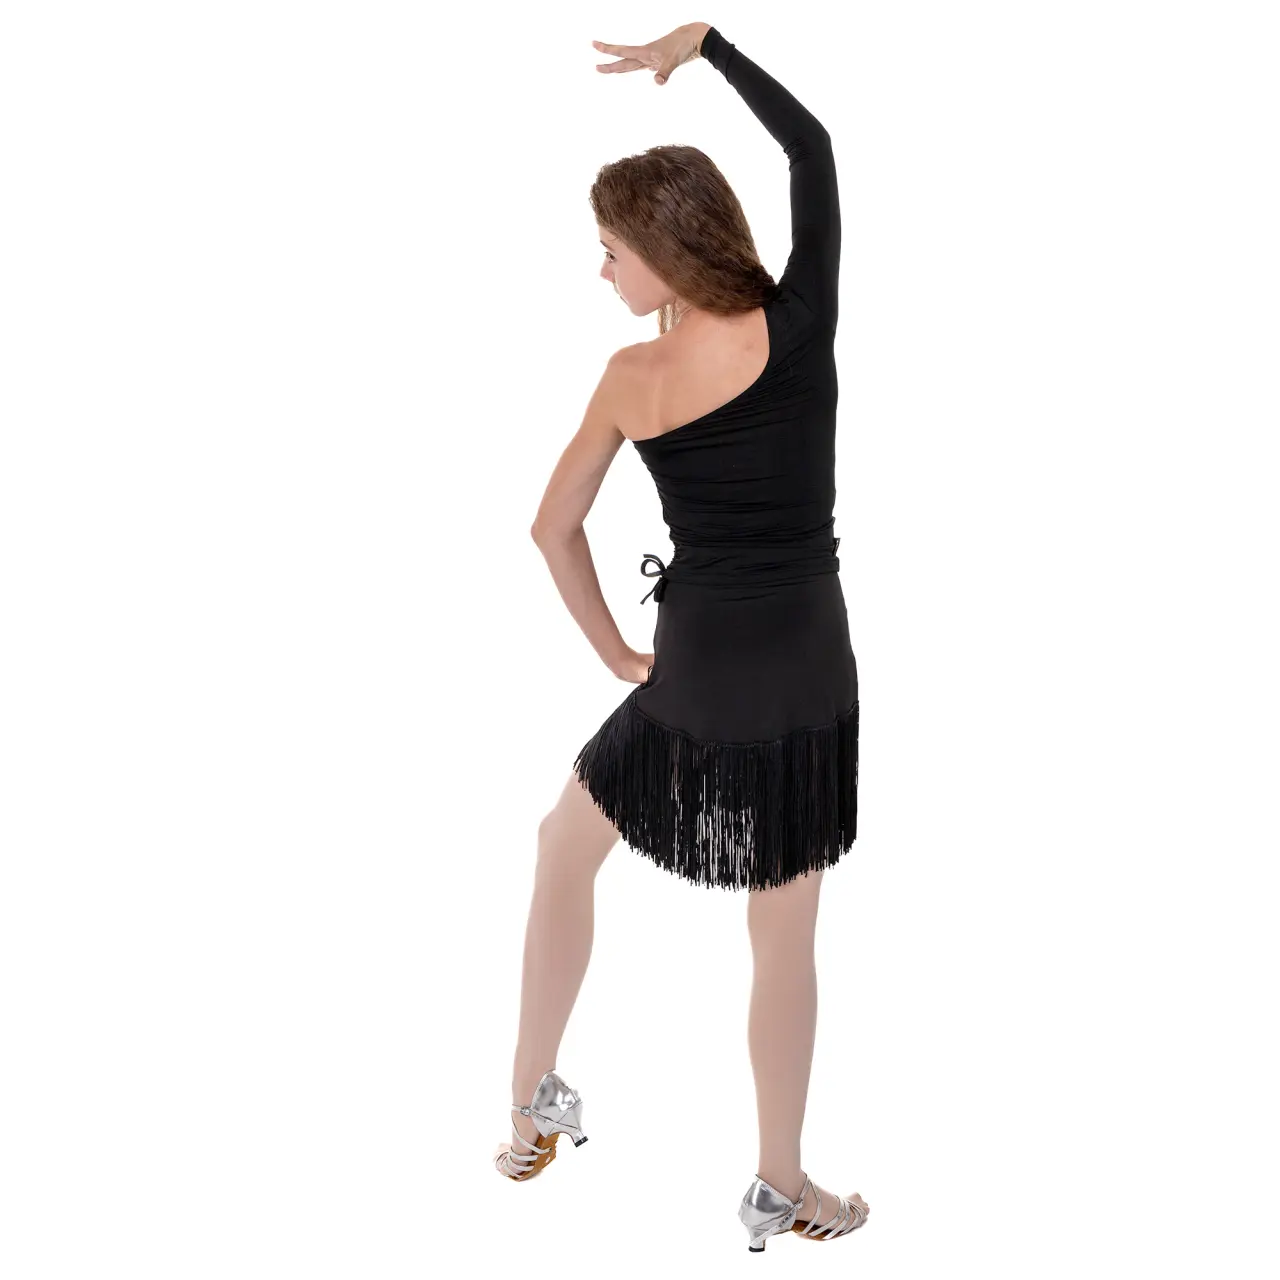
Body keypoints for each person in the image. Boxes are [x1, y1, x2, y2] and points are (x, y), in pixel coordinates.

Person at [493, 23, 870, 1252]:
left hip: (695, 672)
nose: (600, 269)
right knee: (783, 931)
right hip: (808, 666)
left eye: (609, 250)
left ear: (659, 250)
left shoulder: (628, 378)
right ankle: (779, 1180)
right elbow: (810, 148)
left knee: (563, 845)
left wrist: (616, 654)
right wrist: (708, 48)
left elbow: (550, 527)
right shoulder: (798, 319)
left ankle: (531, 1098)